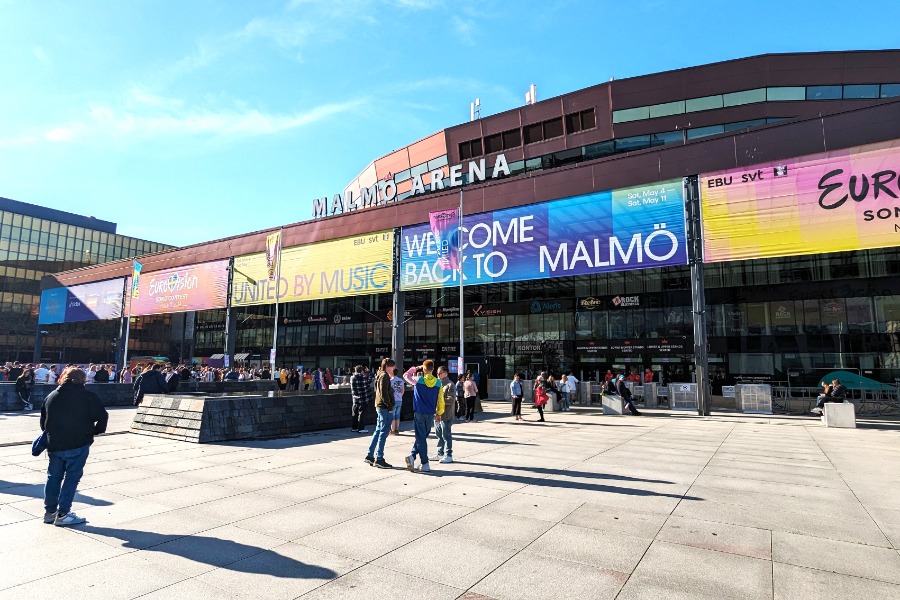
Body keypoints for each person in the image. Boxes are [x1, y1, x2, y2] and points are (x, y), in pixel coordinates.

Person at [40, 366, 109, 526]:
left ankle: (50, 512)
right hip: (78, 443)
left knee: (53, 478)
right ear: (82, 380)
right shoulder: (87, 396)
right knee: (71, 478)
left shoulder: (52, 396)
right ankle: (63, 513)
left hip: (55, 445)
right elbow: (102, 416)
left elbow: (43, 422)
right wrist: (94, 431)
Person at [403, 360, 445, 473]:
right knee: (422, 437)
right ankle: (412, 456)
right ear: (433, 369)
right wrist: (439, 413)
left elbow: (405, 375)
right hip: (430, 413)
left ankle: (425, 463)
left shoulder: (418, 380)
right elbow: (441, 399)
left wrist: (415, 368)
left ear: (424, 369)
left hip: (419, 412)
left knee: (420, 438)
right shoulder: (438, 383)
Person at [364, 358, 395, 469]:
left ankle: (370, 455)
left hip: (380, 406)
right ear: (387, 366)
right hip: (384, 407)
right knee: (383, 432)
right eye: (392, 367)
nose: (394, 369)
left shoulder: (379, 375)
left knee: (378, 431)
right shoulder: (384, 376)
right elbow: (383, 392)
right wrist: (389, 406)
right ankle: (379, 458)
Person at [432, 366, 456, 463]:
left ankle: (448, 454)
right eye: (437, 373)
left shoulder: (450, 385)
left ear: (445, 373)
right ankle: (440, 453)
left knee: (446, 435)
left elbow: (451, 399)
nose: (438, 375)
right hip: (437, 414)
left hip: (446, 414)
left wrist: (439, 401)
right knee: (439, 435)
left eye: (440, 373)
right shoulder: (437, 384)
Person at [350, 365, 373, 434]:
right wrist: (369, 371)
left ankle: (354, 428)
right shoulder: (363, 377)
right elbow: (371, 379)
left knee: (355, 413)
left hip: (355, 399)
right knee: (362, 414)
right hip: (363, 399)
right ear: (362, 370)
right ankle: (361, 428)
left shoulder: (352, 377)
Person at [389, 366, 405, 434]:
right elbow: (402, 390)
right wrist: (400, 395)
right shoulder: (401, 380)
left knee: (392, 415)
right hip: (399, 399)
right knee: (397, 415)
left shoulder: (390, 381)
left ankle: (392, 430)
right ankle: (397, 429)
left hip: (393, 399)